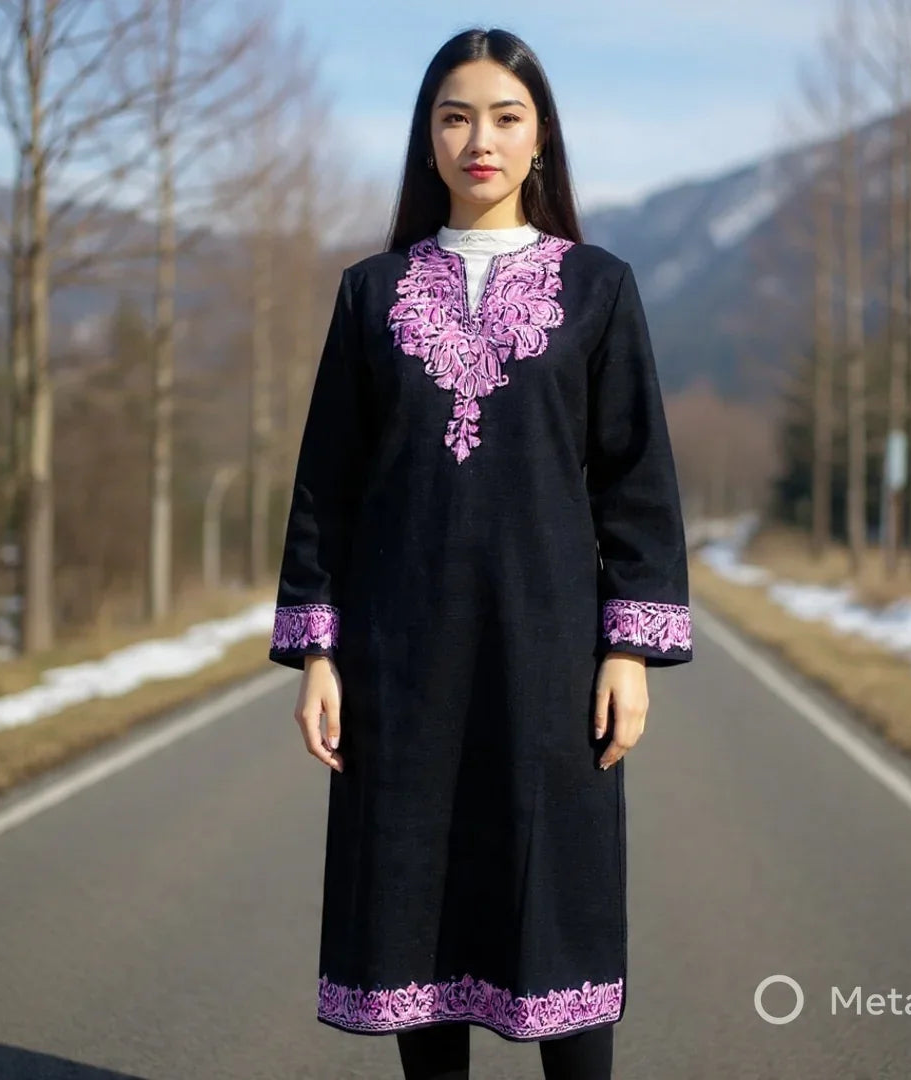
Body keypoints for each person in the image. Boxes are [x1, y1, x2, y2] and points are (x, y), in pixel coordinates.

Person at [268, 26, 693, 1080]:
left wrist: (629, 650)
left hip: (547, 661)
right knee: (416, 916)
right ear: (426, 140)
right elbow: (328, 485)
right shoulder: (371, 294)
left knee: (558, 913)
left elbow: (635, 480)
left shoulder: (597, 288)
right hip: (398, 664)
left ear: (540, 137)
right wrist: (319, 653)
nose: (479, 139)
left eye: (505, 116)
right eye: (454, 116)